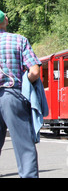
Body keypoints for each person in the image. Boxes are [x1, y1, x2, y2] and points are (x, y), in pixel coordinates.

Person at [0, 10, 41, 178]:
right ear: (6, 20)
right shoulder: (19, 40)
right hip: (12, 95)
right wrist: (26, 84)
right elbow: (34, 71)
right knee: (24, 144)